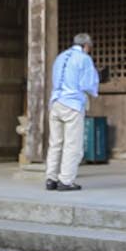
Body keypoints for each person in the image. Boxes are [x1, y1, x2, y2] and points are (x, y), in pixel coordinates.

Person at [44, 33, 99, 192]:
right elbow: (87, 84)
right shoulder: (84, 59)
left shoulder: (60, 57)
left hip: (56, 102)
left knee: (55, 143)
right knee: (72, 144)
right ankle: (66, 180)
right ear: (87, 46)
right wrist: (98, 79)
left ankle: (51, 178)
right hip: (72, 104)